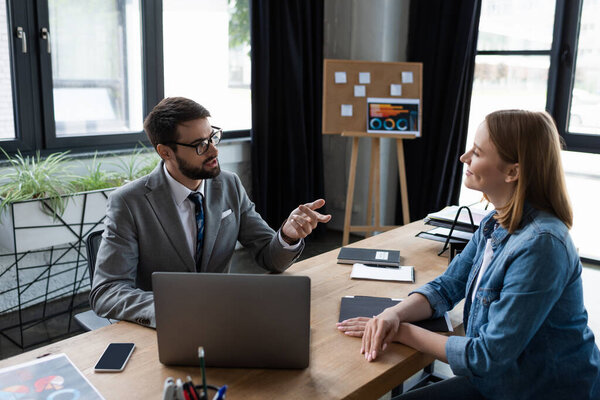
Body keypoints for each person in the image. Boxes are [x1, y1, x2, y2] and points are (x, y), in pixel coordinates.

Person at [337, 110, 600, 399]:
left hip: (542, 390)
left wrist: (401, 331)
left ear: (513, 172)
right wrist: (392, 314)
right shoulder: (493, 222)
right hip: (502, 382)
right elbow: (447, 286)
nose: (463, 158)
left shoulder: (542, 246)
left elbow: (485, 356)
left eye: (476, 152)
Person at [90, 97, 331, 328]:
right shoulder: (129, 202)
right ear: (165, 152)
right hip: (165, 327)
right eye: (200, 145)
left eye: (212, 138)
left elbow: (269, 258)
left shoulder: (229, 185)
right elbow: (108, 291)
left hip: (222, 321)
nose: (214, 151)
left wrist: (287, 236)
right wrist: (173, 309)